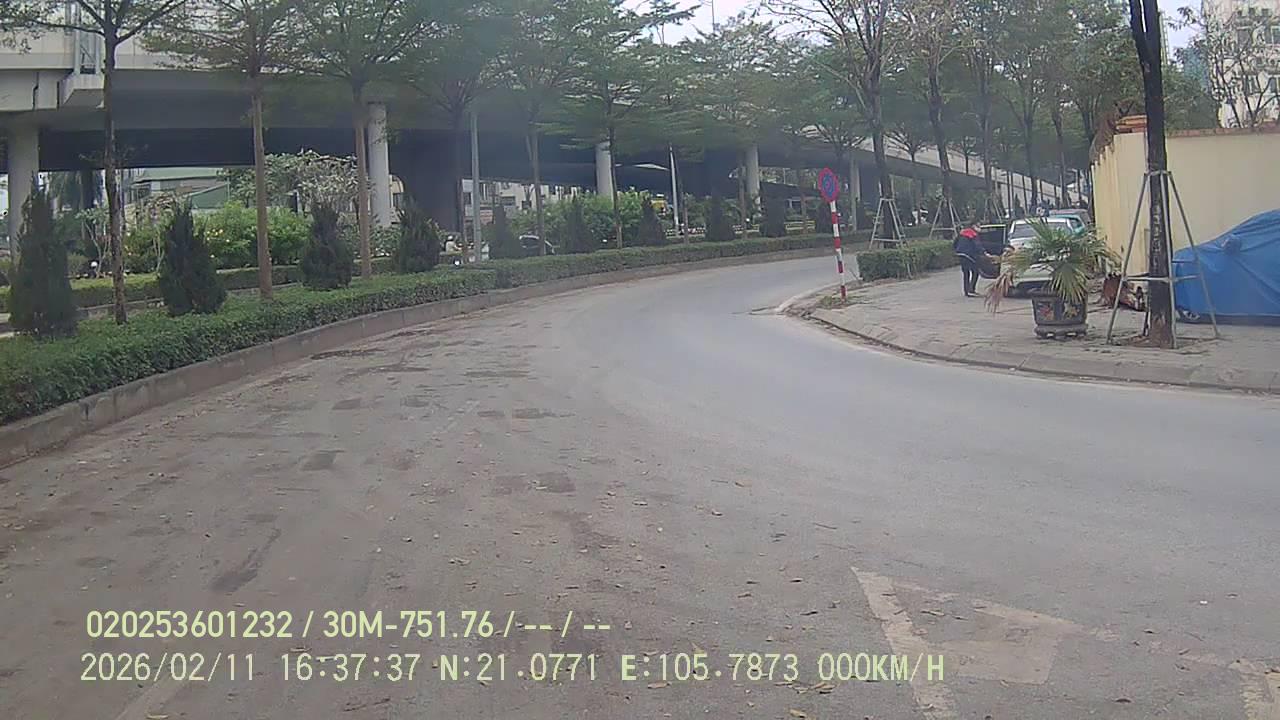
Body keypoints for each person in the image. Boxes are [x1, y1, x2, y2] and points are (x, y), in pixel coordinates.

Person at [953, 223, 987, 298]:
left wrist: (957, 250)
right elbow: (977, 245)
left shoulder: (962, 233)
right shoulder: (973, 234)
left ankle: (966, 291)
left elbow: (955, 243)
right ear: (974, 226)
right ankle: (971, 290)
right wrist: (984, 252)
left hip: (960, 254)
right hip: (968, 255)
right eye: (978, 226)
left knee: (966, 273)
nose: (980, 228)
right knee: (975, 271)